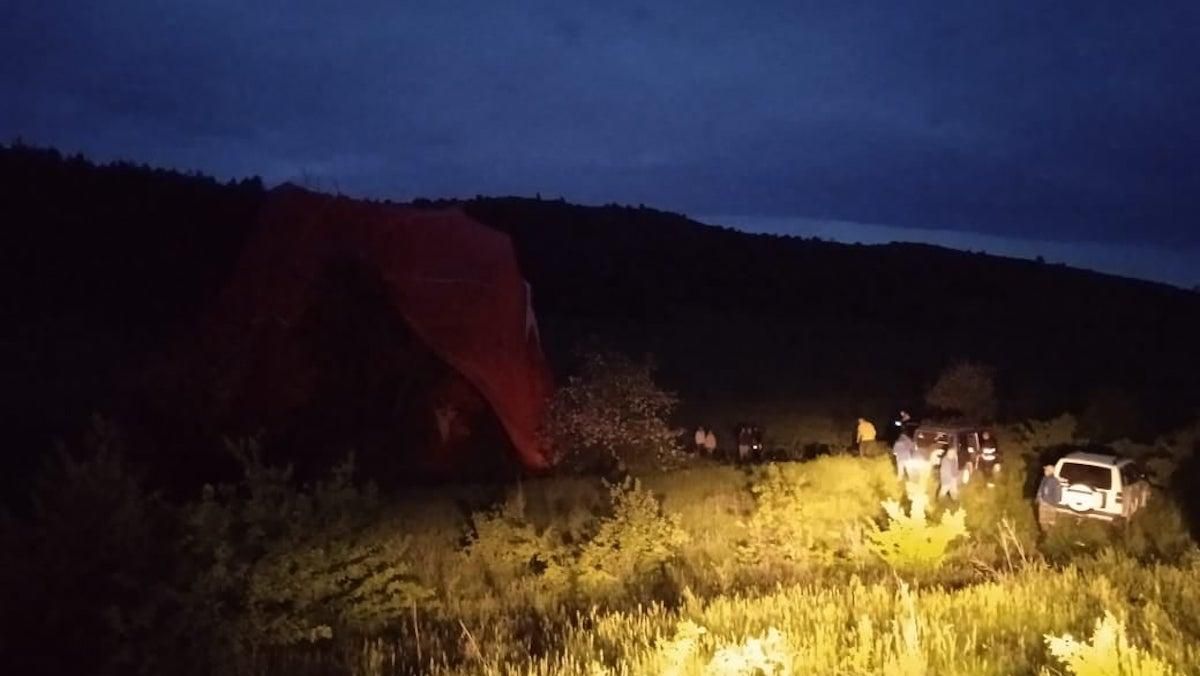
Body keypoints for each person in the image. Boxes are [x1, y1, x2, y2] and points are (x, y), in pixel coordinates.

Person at [1036, 464, 1062, 528]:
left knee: (1045, 519)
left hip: (1049, 503)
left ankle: (1045, 532)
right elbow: (1041, 489)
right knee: (1047, 518)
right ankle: (1047, 531)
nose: (1044, 471)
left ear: (1050, 471)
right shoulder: (1045, 479)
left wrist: (1053, 502)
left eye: (1046, 470)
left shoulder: (1053, 481)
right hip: (1047, 502)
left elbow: (1056, 493)